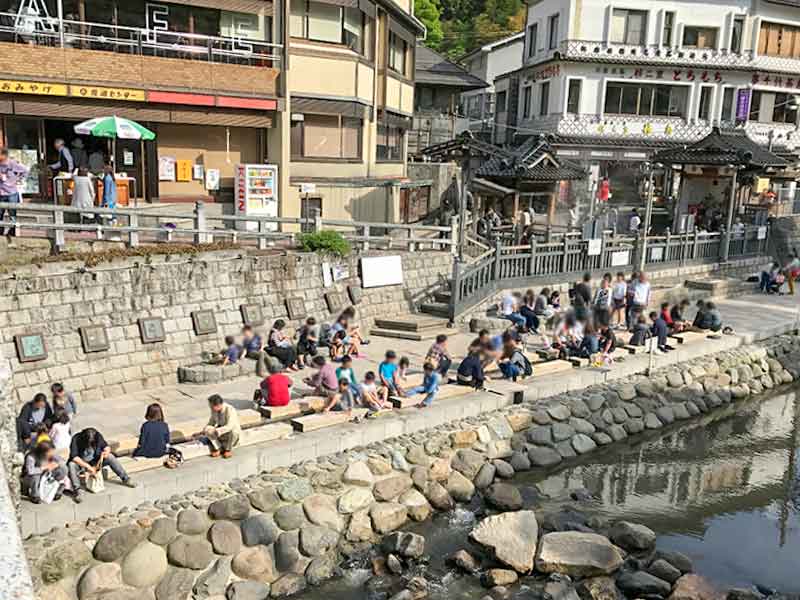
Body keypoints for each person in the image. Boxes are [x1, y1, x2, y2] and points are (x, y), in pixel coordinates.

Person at [68, 427, 136, 502]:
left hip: (96, 461)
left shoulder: (97, 436)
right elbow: (74, 457)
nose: (90, 443)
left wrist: (106, 452)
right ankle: (77, 490)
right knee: (71, 465)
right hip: (82, 463)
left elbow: (106, 447)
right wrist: (88, 467)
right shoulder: (76, 438)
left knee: (110, 457)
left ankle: (125, 479)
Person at [0, 148, 29, 237]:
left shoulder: (12, 163)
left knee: (12, 214)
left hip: (11, 192)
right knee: (0, 213)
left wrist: (17, 180)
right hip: (1, 192)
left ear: (4, 155)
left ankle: (12, 232)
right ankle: (0, 231)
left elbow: (25, 170)